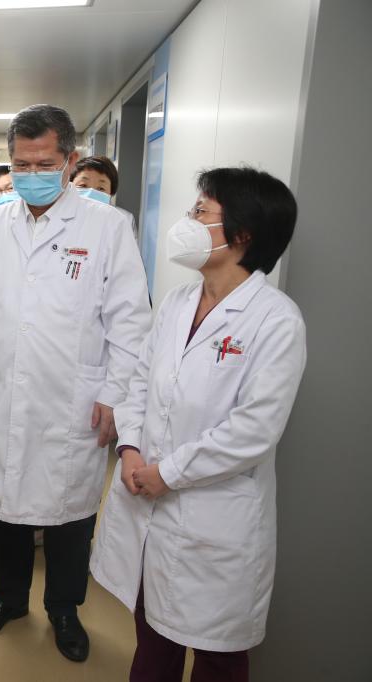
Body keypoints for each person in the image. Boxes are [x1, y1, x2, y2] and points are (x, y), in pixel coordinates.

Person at [0, 104, 151, 662]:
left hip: (71, 398)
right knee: (0, 506)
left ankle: (64, 608)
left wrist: (115, 394)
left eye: (44, 164)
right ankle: (8, 599)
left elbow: (130, 321)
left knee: (69, 515)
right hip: (0, 389)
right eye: (21, 164)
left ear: (70, 160)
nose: (31, 174)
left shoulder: (108, 227)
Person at [91, 167, 307, 681]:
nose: (187, 220)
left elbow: (254, 429)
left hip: (216, 516)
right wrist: (130, 449)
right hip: (147, 495)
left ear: (242, 233)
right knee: (152, 633)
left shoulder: (276, 320)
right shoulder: (178, 302)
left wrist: (168, 473)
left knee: (217, 654)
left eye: (201, 211)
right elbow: (140, 382)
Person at [71, 155, 139, 238]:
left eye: (101, 188)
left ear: (111, 193)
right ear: (70, 185)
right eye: (83, 185)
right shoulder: (59, 213)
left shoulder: (124, 219)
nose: (91, 192)